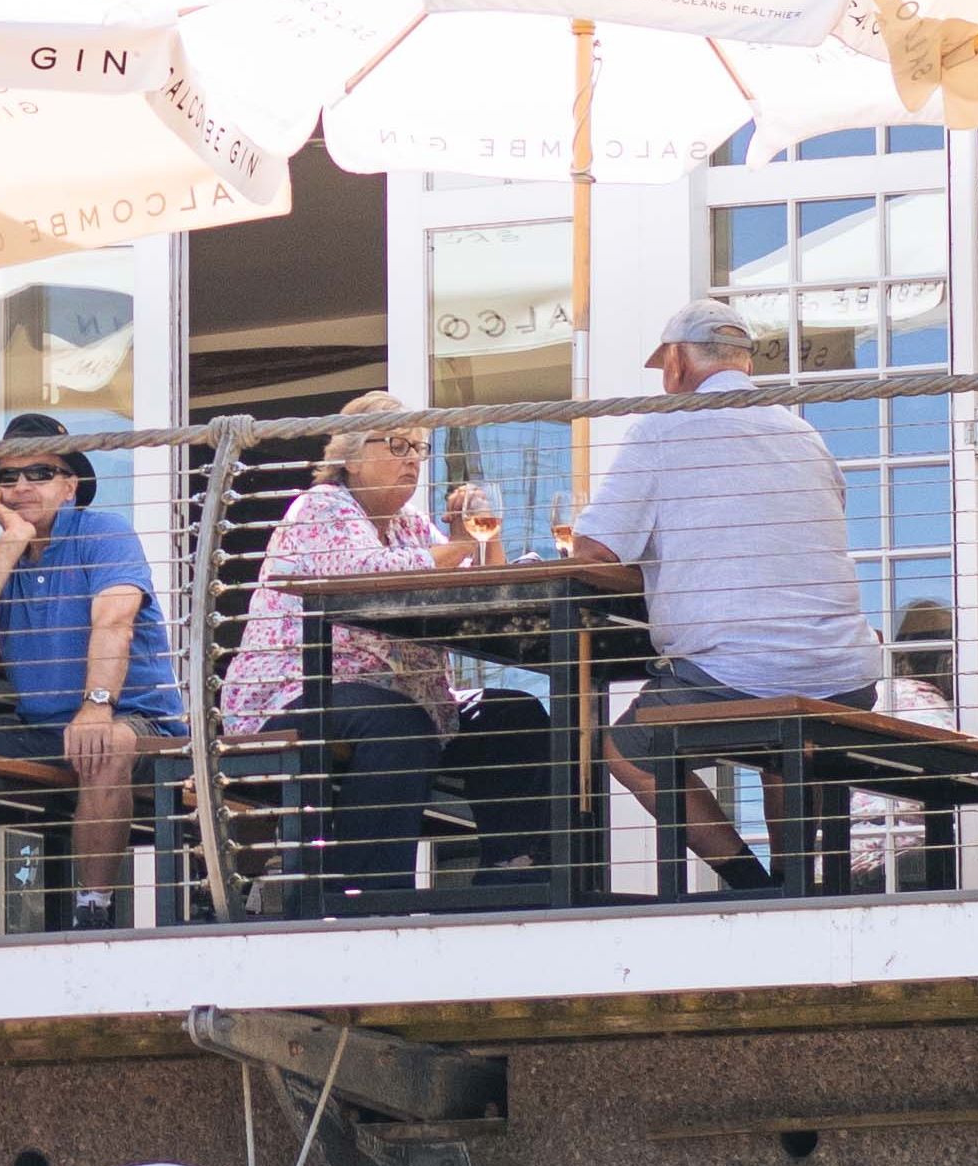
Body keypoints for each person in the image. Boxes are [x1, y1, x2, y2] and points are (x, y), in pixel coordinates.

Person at [563, 303, 877, 890]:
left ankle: (751, 885)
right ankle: (796, 888)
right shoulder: (802, 433)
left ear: (678, 361)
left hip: (744, 669)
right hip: (847, 670)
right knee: (785, 736)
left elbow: (594, 551)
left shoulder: (662, 427)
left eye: (663, 365)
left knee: (630, 747)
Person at [227, 408, 523, 906]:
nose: (411, 460)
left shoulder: (410, 524)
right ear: (351, 456)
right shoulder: (321, 506)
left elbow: (478, 586)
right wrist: (458, 546)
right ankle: (367, 895)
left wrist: (480, 540)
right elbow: (369, 571)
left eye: (418, 448)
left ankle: (514, 875)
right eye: (397, 445)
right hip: (296, 693)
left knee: (514, 715)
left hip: (399, 698)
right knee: (396, 727)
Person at [0, 413, 178, 922]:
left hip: (135, 722)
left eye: (40, 473)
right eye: (8, 477)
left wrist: (96, 708)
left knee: (104, 745)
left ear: (69, 485)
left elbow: (116, 621)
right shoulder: (5, 553)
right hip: (42, 729)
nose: (22, 485)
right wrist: (12, 537)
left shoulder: (103, 531)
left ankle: (93, 910)